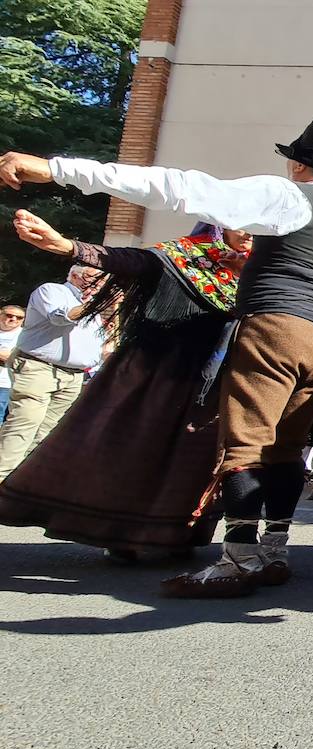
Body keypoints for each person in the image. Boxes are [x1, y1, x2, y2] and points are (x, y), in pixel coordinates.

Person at [0, 109, 313, 597]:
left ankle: (237, 559)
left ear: (300, 165)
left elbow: (179, 186)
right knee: (286, 450)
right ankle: (275, 550)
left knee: (245, 445)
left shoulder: (286, 195)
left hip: (275, 329)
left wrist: (55, 169)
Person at [0, 210, 249, 559]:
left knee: (189, 462)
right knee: (134, 453)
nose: (251, 235)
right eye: (244, 225)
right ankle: (117, 534)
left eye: (261, 228)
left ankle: (171, 538)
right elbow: (130, 261)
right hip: (155, 373)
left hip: (211, 384)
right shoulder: (182, 255)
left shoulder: (257, 272)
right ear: (221, 225)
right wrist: (67, 246)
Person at [0, 263, 106, 482]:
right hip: (39, 368)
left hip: (74, 376)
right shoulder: (53, 291)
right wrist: (95, 303)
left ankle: (18, 487)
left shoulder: (94, 306)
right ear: (76, 276)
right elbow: (59, 318)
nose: (101, 284)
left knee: (46, 433)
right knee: (24, 424)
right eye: (95, 278)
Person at [0, 304, 25, 423]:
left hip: (4, 383)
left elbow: (10, 357)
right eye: (9, 315)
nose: (13, 319)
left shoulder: (24, 336)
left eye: (19, 317)